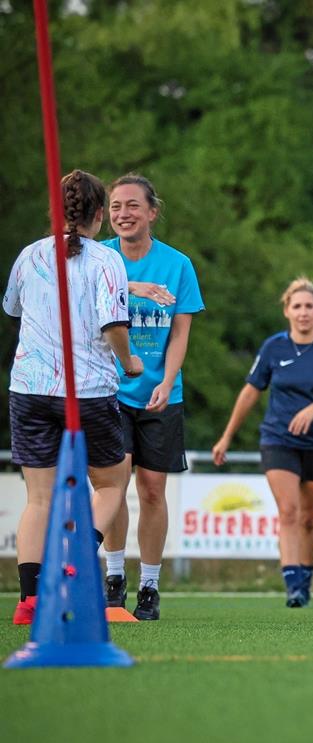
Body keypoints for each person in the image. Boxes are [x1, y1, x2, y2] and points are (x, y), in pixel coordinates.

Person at [3, 170, 142, 624]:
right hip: (87, 391)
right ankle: (73, 564)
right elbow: (114, 326)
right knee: (110, 483)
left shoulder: (30, 255)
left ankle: (28, 601)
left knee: (38, 499)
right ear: (99, 214)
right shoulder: (106, 261)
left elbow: (12, 308)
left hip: (29, 389)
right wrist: (130, 362)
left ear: (56, 212)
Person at [211, 278, 313, 607]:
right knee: (289, 511)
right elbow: (250, 392)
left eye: (309, 306)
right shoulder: (273, 348)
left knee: (308, 517)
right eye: (297, 306)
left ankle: (305, 579)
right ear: (287, 311)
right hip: (278, 439)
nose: (303, 312)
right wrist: (226, 437)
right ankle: (291, 582)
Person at [99, 174, 204, 621]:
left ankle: (149, 587)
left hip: (161, 393)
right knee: (113, 485)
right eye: (115, 206)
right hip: (105, 391)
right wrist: (132, 288)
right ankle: (114, 576)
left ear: (152, 212)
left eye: (132, 206)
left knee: (153, 490)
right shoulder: (97, 258)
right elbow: (82, 309)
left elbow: (180, 332)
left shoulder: (177, 264)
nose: (123, 214)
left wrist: (168, 379)